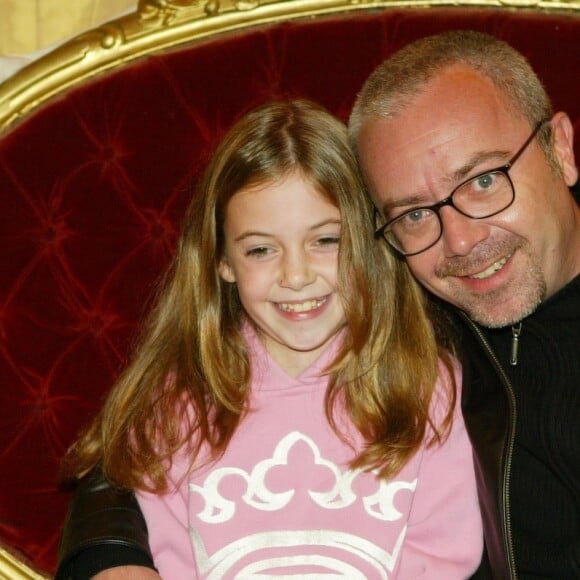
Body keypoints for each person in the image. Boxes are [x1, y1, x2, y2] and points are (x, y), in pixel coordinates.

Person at [55, 99, 482, 579]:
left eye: (326, 241)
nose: (295, 275)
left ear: (369, 244)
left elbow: (446, 556)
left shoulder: (430, 387)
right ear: (222, 262)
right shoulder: (178, 403)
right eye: (261, 249)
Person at [348, 30, 580, 579]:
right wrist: (113, 544)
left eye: (483, 181)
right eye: (414, 215)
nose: (459, 243)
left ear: (562, 150)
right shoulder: (407, 324)